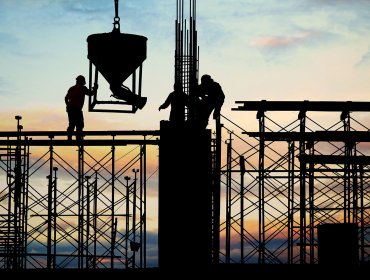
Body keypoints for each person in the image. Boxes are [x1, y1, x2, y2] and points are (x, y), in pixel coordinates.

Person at [65, 75, 98, 140]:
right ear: (82, 81)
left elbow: (66, 98)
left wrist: (68, 105)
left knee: (72, 124)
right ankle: (78, 138)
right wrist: (95, 89)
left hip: (70, 109)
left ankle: (69, 138)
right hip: (77, 109)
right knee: (79, 124)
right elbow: (91, 93)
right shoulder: (82, 88)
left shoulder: (72, 88)